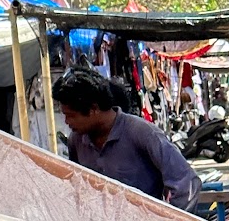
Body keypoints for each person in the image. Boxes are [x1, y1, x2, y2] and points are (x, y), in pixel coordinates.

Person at [53, 68, 202, 211]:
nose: (66, 122)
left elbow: (186, 182)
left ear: (93, 109)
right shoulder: (77, 141)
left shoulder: (142, 133)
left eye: (71, 115)